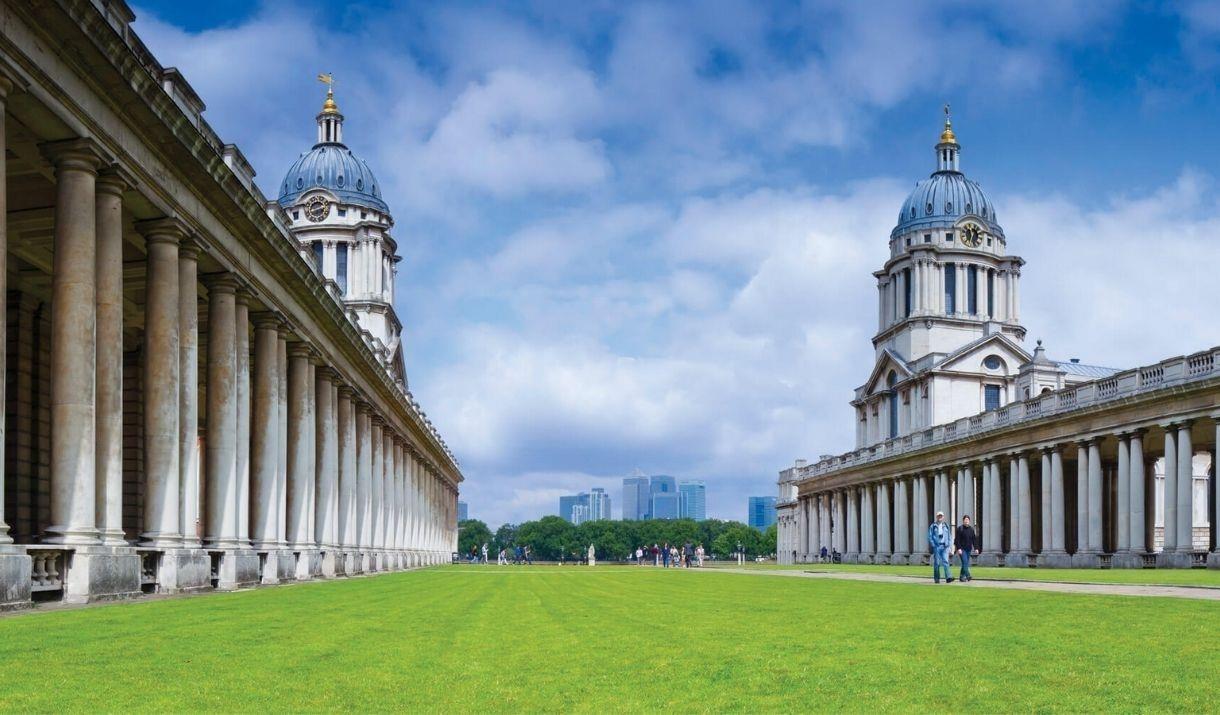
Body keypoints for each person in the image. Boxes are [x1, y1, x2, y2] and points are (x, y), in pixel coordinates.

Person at [928, 511, 953, 584]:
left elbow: (949, 536)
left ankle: (948, 577)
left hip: (945, 546)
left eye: (941, 516)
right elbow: (930, 536)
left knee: (946, 561)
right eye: (939, 516)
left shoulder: (946, 525)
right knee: (937, 563)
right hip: (937, 546)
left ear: (943, 517)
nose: (940, 517)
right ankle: (936, 578)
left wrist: (949, 545)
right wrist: (933, 544)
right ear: (937, 517)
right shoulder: (933, 526)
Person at [955, 515, 978, 582]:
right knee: (965, 562)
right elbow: (957, 540)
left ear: (969, 521)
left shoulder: (971, 529)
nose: (966, 521)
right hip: (962, 549)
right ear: (963, 521)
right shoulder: (960, 529)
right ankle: (968, 575)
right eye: (965, 520)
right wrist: (958, 548)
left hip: (968, 549)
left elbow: (974, 540)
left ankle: (961, 577)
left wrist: (976, 548)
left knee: (965, 563)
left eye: (967, 520)